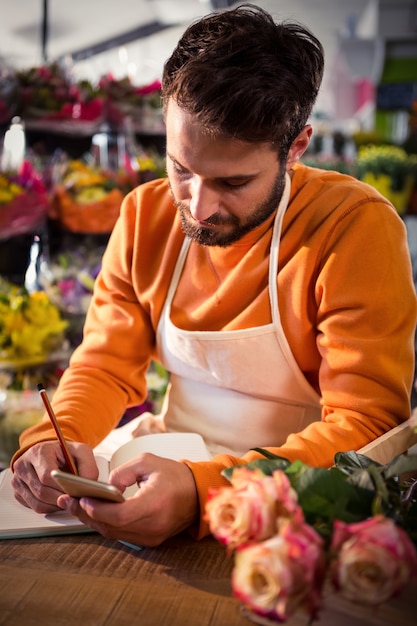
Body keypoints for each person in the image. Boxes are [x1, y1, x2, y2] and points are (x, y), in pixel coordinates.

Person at [11, 4, 417, 547]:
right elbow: (106, 365)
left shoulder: (353, 228)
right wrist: (54, 439)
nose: (198, 207)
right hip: (161, 468)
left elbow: (366, 430)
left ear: (295, 147)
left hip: (297, 509)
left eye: (234, 182)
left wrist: (208, 490)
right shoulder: (144, 216)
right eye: (181, 168)